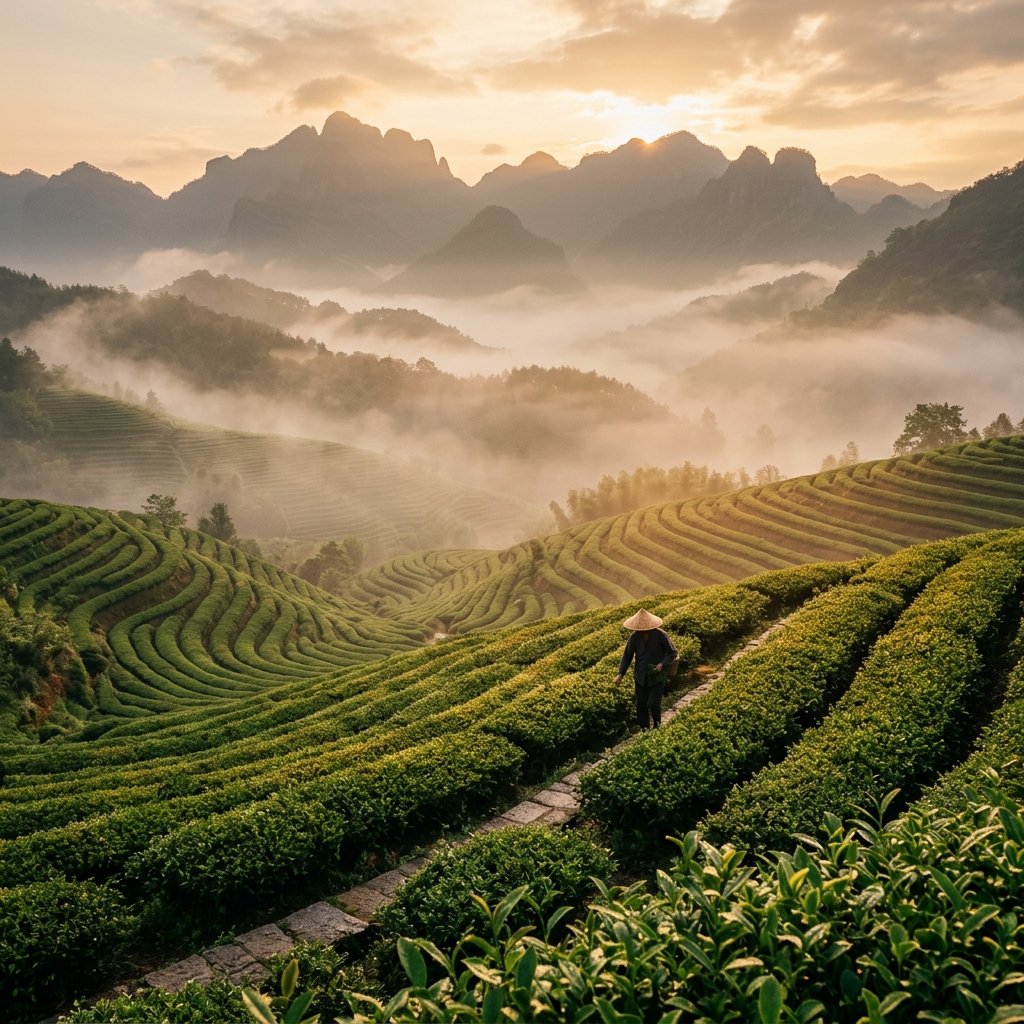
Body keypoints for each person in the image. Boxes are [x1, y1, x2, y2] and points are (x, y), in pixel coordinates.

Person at [613, 608, 677, 730]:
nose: (642, 631)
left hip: (657, 677)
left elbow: (672, 653)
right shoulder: (634, 638)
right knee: (640, 705)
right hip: (640, 677)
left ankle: (657, 726)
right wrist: (620, 674)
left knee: (653, 704)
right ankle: (645, 730)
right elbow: (627, 656)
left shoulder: (661, 635)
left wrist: (662, 664)